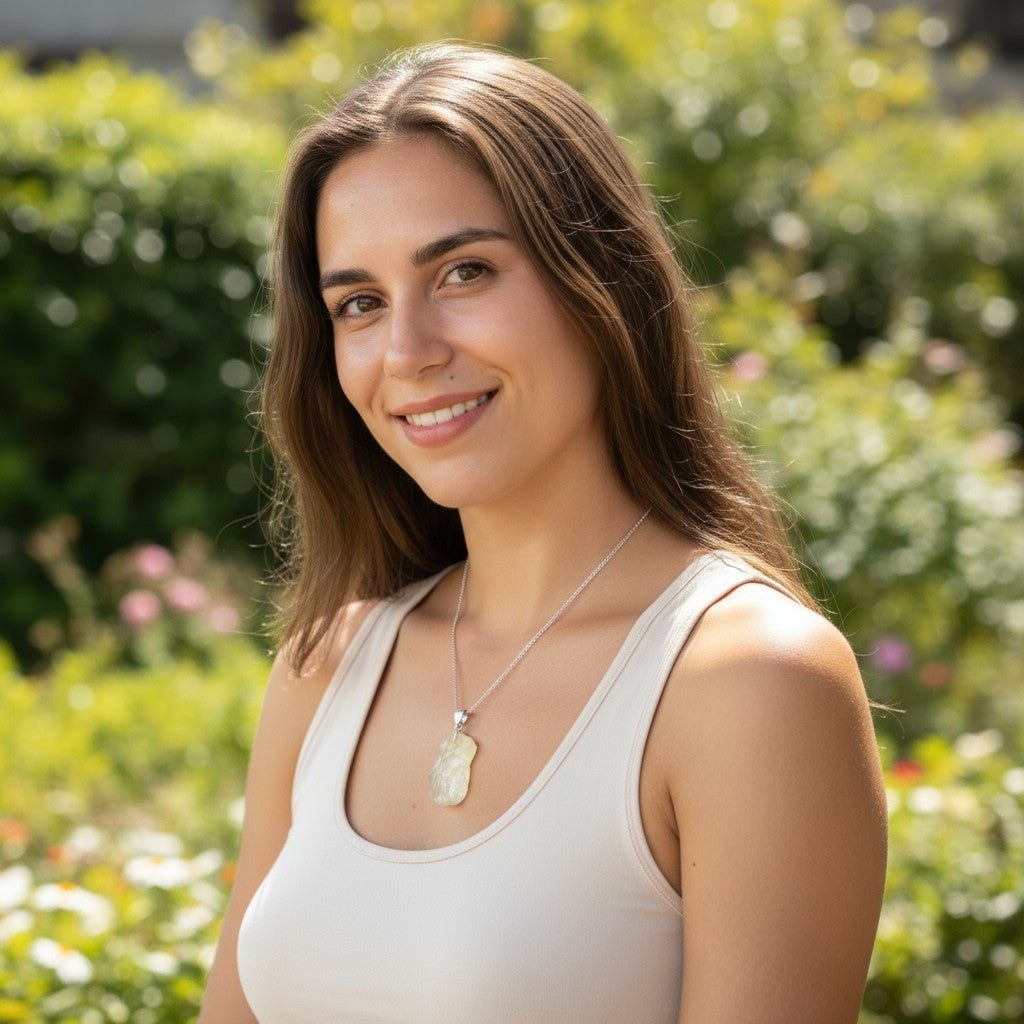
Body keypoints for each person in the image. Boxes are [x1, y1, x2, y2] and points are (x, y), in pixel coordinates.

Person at [199, 42, 887, 1024]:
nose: (407, 352)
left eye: (465, 271)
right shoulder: (330, 666)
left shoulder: (745, 681)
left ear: (601, 278)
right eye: (360, 303)